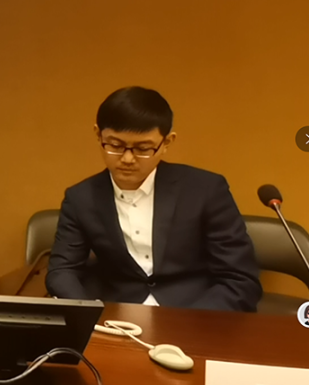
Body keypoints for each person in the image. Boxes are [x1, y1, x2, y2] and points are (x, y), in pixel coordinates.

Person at [46, 87, 261, 311]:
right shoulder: (80, 198)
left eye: (143, 148)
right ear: (98, 135)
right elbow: (62, 271)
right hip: (116, 314)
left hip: (192, 313)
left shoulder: (205, 189)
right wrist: (89, 313)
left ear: (166, 142)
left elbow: (240, 279)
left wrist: (191, 322)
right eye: (115, 146)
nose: (127, 159)